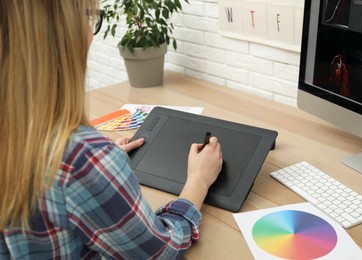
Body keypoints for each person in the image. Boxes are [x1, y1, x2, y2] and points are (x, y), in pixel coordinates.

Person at [0, 0, 223, 259]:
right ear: (67, 35)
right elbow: (160, 251)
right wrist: (199, 180)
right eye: (88, 16)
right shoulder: (80, 159)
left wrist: (101, 164)